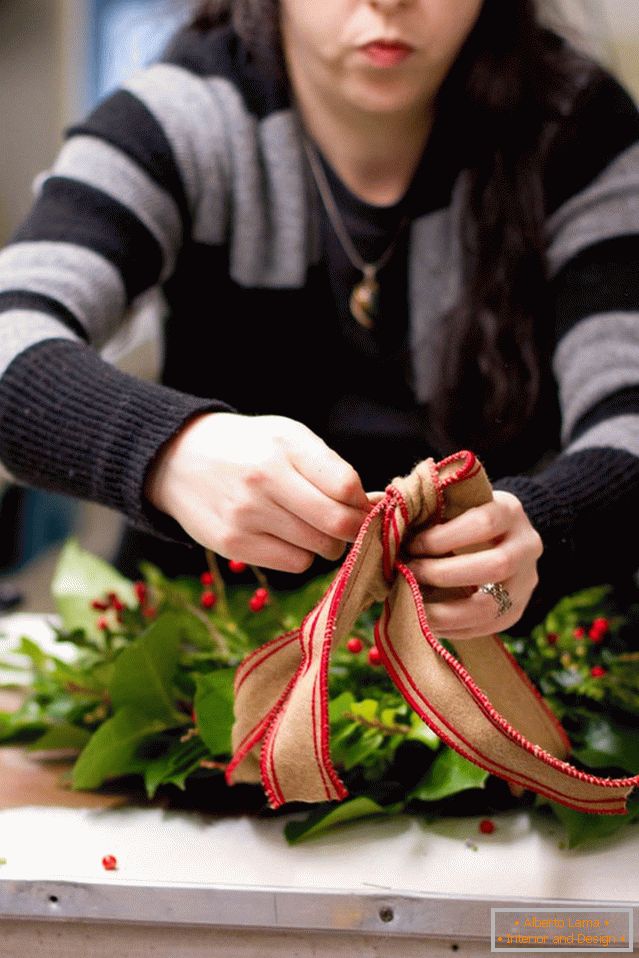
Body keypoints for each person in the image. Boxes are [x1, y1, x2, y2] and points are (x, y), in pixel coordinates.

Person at [0, 0, 637, 641]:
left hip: (505, 658)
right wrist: (169, 452)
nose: (388, 2)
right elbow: (12, 333)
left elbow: (628, 416)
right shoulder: (177, 117)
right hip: (197, 654)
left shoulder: (578, 131)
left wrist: (549, 529)